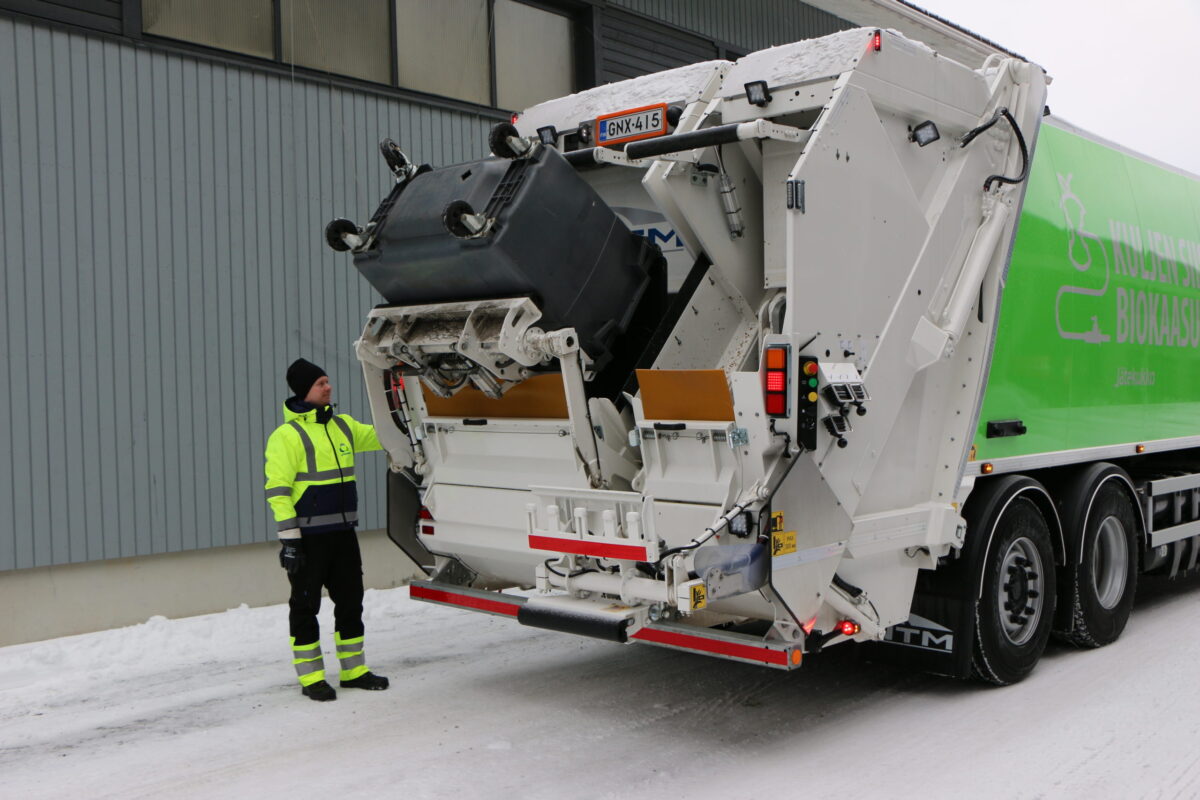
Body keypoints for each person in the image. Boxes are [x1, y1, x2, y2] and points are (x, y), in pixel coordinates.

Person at [264, 358, 390, 701]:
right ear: (305, 390)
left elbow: (384, 435)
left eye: (327, 381)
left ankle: (354, 670)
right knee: (305, 607)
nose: (328, 387)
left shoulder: (343, 426)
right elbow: (277, 492)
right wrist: (290, 542)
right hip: (308, 541)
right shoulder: (286, 436)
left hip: (343, 535)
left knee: (351, 602)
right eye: (321, 383)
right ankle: (312, 678)